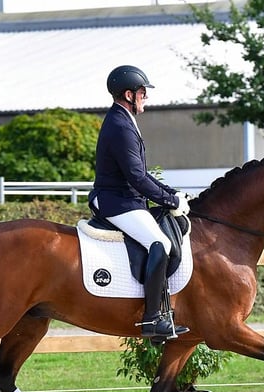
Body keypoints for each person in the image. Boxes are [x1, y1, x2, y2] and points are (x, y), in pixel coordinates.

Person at [88, 65, 190, 340]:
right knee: (161, 244)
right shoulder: (120, 125)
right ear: (129, 94)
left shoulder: (123, 120)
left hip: (126, 199)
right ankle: (151, 320)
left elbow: (142, 174)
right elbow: (135, 177)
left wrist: (172, 195)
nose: (146, 97)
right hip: (117, 202)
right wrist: (169, 199)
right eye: (143, 92)